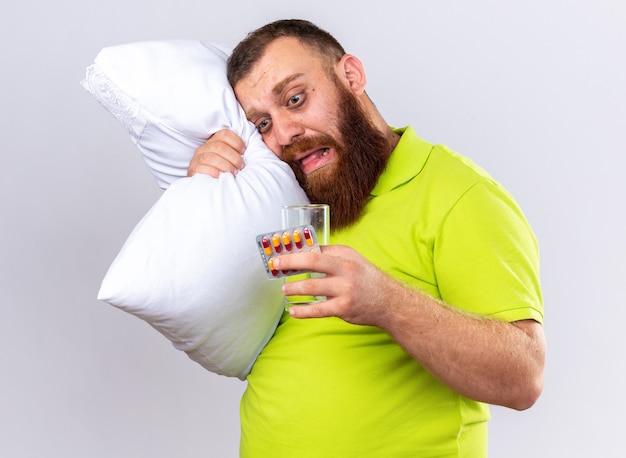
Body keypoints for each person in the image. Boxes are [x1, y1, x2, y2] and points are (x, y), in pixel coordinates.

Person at [189, 19, 545, 457]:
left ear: (351, 76)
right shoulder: (279, 195)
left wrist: (386, 303)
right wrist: (204, 194)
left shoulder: (458, 193)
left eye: (295, 99)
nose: (283, 135)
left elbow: (523, 379)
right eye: (262, 123)